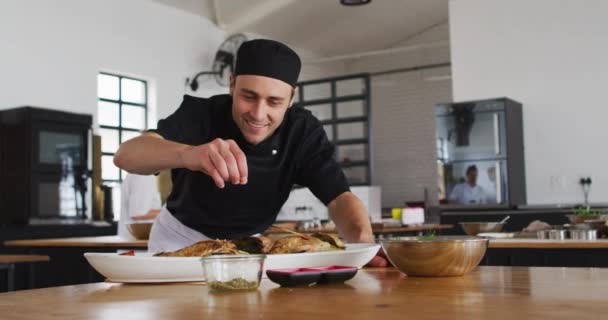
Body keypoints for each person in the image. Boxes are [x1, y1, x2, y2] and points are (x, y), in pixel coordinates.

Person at [114, 39, 387, 267]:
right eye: (249, 96)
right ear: (231, 84)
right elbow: (126, 155)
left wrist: (364, 246)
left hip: (251, 248)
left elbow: (339, 198)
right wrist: (189, 154)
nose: (258, 114)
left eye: (274, 101)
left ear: (292, 97)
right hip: (179, 241)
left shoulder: (303, 131)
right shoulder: (201, 114)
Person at [118, 173, 162, 239]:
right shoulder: (144, 176)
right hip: (137, 243)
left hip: (133, 242)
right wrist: (172, 212)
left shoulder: (139, 174)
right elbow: (138, 213)